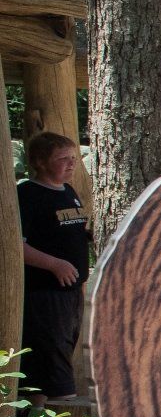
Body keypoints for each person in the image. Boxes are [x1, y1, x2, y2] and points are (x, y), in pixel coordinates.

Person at [17, 133, 90, 401]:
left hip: (72, 290)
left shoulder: (68, 191)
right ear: (40, 162)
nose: (71, 164)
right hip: (45, 291)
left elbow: (69, 230)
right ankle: (62, 407)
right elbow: (16, 246)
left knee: (66, 345)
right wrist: (54, 265)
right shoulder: (27, 194)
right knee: (51, 350)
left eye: (73, 158)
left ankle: (46, 408)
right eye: (63, 159)